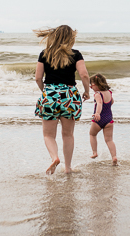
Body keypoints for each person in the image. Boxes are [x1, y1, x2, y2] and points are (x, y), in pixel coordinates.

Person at [34, 25, 90, 174]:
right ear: (70, 38)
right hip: (70, 96)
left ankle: (54, 158)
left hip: (50, 95)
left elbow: (38, 78)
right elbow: (84, 75)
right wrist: (86, 91)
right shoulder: (76, 54)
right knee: (68, 135)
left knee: (48, 135)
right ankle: (67, 168)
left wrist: (46, 92)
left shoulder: (44, 54)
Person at [89, 73, 118, 165]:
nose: (91, 87)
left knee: (92, 134)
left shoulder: (97, 94)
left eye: (91, 85)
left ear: (97, 85)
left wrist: (97, 113)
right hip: (109, 118)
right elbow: (112, 102)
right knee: (109, 139)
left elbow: (99, 104)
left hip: (99, 119)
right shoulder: (109, 93)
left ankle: (94, 152)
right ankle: (114, 157)